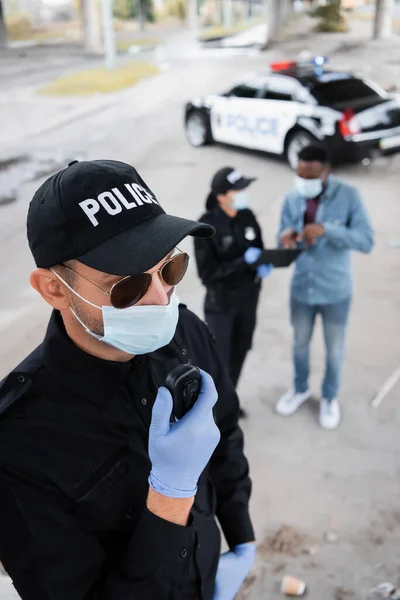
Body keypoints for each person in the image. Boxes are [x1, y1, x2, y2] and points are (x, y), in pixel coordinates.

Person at [0, 159, 256, 600]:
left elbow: (227, 433)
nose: (161, 299)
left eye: (170, 269)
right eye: (127, 287)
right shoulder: (18, 443)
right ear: (54, 289)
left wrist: (240, 531)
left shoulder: (186, 332)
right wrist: (169, 496)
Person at [276, 145, 374, 430]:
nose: (303, 182)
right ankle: (300, 388)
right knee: (299, 344)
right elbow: (281, 233)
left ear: (325, 172)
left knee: (334, 349)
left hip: (335, 291)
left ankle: (329, 397)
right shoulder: (292, 197)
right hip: (301, 288)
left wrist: (326, 230)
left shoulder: (349, 196)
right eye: (299, 175)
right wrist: (287, 237)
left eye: (310, 176)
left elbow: (365, 240)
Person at [194, 167, 273, 417]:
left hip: (248, 299)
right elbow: (207, 274)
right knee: (219, 360)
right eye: (238, 189)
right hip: (222, 303)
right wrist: (243, 262)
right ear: (221, 195)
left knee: (241, 350)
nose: (244, 193)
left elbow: (258, 247)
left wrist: (262, 263)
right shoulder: (206, 226)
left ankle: (228, 405)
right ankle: (212, 414)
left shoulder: (247, 216)